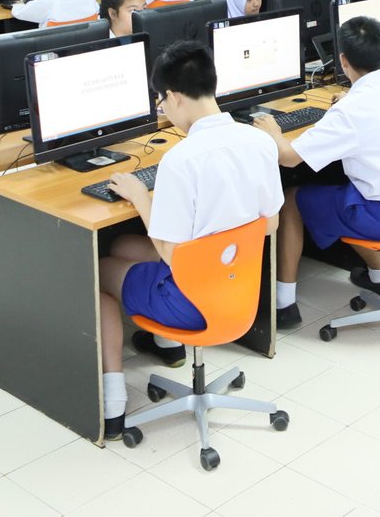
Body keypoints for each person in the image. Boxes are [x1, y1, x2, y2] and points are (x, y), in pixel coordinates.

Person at [94, 41, 282, 439]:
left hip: (190, 304)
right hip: (239, 293)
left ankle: (112, 404)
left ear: (175, 97)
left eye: (161, 102)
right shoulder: (260, 142)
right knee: (125, 245)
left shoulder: (181, 160)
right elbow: (271, 224)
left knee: (99, 270)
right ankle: (167, 345)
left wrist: (140, 197)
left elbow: (170, 253)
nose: (163, 109)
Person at [256, 16, 380, 328]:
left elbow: (288, 158)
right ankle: (379, 275)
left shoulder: (350, 111)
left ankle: (284, 305)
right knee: (346, 186)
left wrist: (273, 131)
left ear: (342, 60)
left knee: (291, 198)